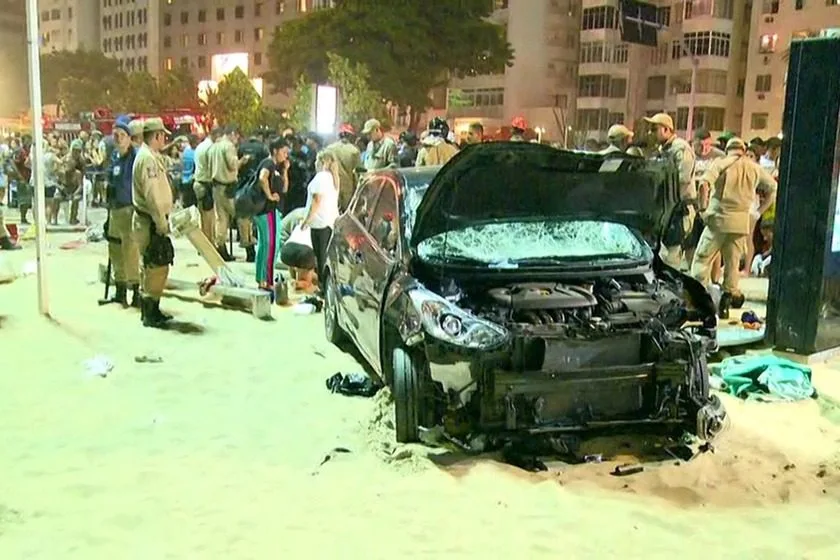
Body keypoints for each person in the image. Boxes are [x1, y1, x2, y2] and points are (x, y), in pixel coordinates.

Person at [692, 137, 777, 318]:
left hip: (718, 220)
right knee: (732, 266)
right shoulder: (754, 167)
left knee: (701, 260)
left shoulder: (721, 163)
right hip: (740, 223)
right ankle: (726, 303)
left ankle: (700, 301)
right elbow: (773, 188)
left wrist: (702, 210)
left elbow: (703, 185)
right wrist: (758, 212)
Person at [131, 118, 175, 328]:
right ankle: (150, 313)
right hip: (149, 220)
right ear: (156, 135)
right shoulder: (147, 159)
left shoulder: (150, 156)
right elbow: (152, 195)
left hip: (147, 219)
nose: (164, 139)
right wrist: (160, 222)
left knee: (150, 266)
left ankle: (152, 309)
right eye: (163, 135)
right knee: (156, 265)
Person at [643, 113, 696, 269]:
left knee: (671, 253)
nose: (651, 133)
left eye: (654, 129)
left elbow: (683, 178)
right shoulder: (663, 150)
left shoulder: (680, 148)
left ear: (666, 130)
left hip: (680, 208)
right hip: (666, 208)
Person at [101, 117, 141, 307]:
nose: (117, 138)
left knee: (130, 251)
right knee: (115, 249)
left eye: (121, 135)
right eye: (115, 135)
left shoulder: (136, 157)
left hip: (129, 209)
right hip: (115, 210)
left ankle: (136, 291)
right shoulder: (115, 158)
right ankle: (120, 289)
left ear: (129, 138)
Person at [253, 137, 290, 293]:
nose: (285, 155)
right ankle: (266, 280)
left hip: (270, 210)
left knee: (265, 244)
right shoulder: (268, 163)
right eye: (284, 152)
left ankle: (262, 278)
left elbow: (285, 189)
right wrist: (269, 195)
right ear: (275, 151)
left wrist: (285, 171)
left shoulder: (277, 167)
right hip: (266, 209)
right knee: (270, 245)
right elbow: (262, 178)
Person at [209, 125, 251, 262]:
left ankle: (221, 247)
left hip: (216, 186)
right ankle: (248, 246)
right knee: (242, 215)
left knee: (221, 219)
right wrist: (242, 161)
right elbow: (233, 165)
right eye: (237, 136)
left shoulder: (214, 146)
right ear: (232, 133)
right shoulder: (228, 147)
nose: (237, 139)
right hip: (228, 187)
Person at [688, 128, 726, 277]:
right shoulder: (688, 155)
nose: (704, 149)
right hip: (692, 204)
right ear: (693, 143)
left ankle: (715, 279)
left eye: (707, 145)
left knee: (713, 245)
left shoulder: (719, 156)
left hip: (711, 205)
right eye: (700, 146)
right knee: (691, 243)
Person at [301, 150, 341, 291]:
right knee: (325, 256)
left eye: (317, 160)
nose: (314, 163)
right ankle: (326, 287)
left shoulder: (321, 177)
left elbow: (317, 200)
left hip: (319, 222)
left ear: (323, 162)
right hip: (329, 221)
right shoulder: (333, 178)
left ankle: (324, 287)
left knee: (320, 257)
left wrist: (307, 220)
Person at [325, 123, 362, 212]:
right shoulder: (354, 151)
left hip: (331, 187)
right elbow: (358, 174)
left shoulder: (329, 149)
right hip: (348, 191)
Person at [193, 127, 218, 243]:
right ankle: (209, 242)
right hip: (206, 183)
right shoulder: (211, 148)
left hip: (198, 182)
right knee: (209, 217)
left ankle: (203, 242)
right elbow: (212, 167)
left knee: (203, 216)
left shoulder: (200, 146)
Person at [179, 135, 198, 208]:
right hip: (192, 181)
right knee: (194, 207)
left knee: (187, 206)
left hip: (184, 181)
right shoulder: (195, 153)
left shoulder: (185, 152)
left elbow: (181, 166)